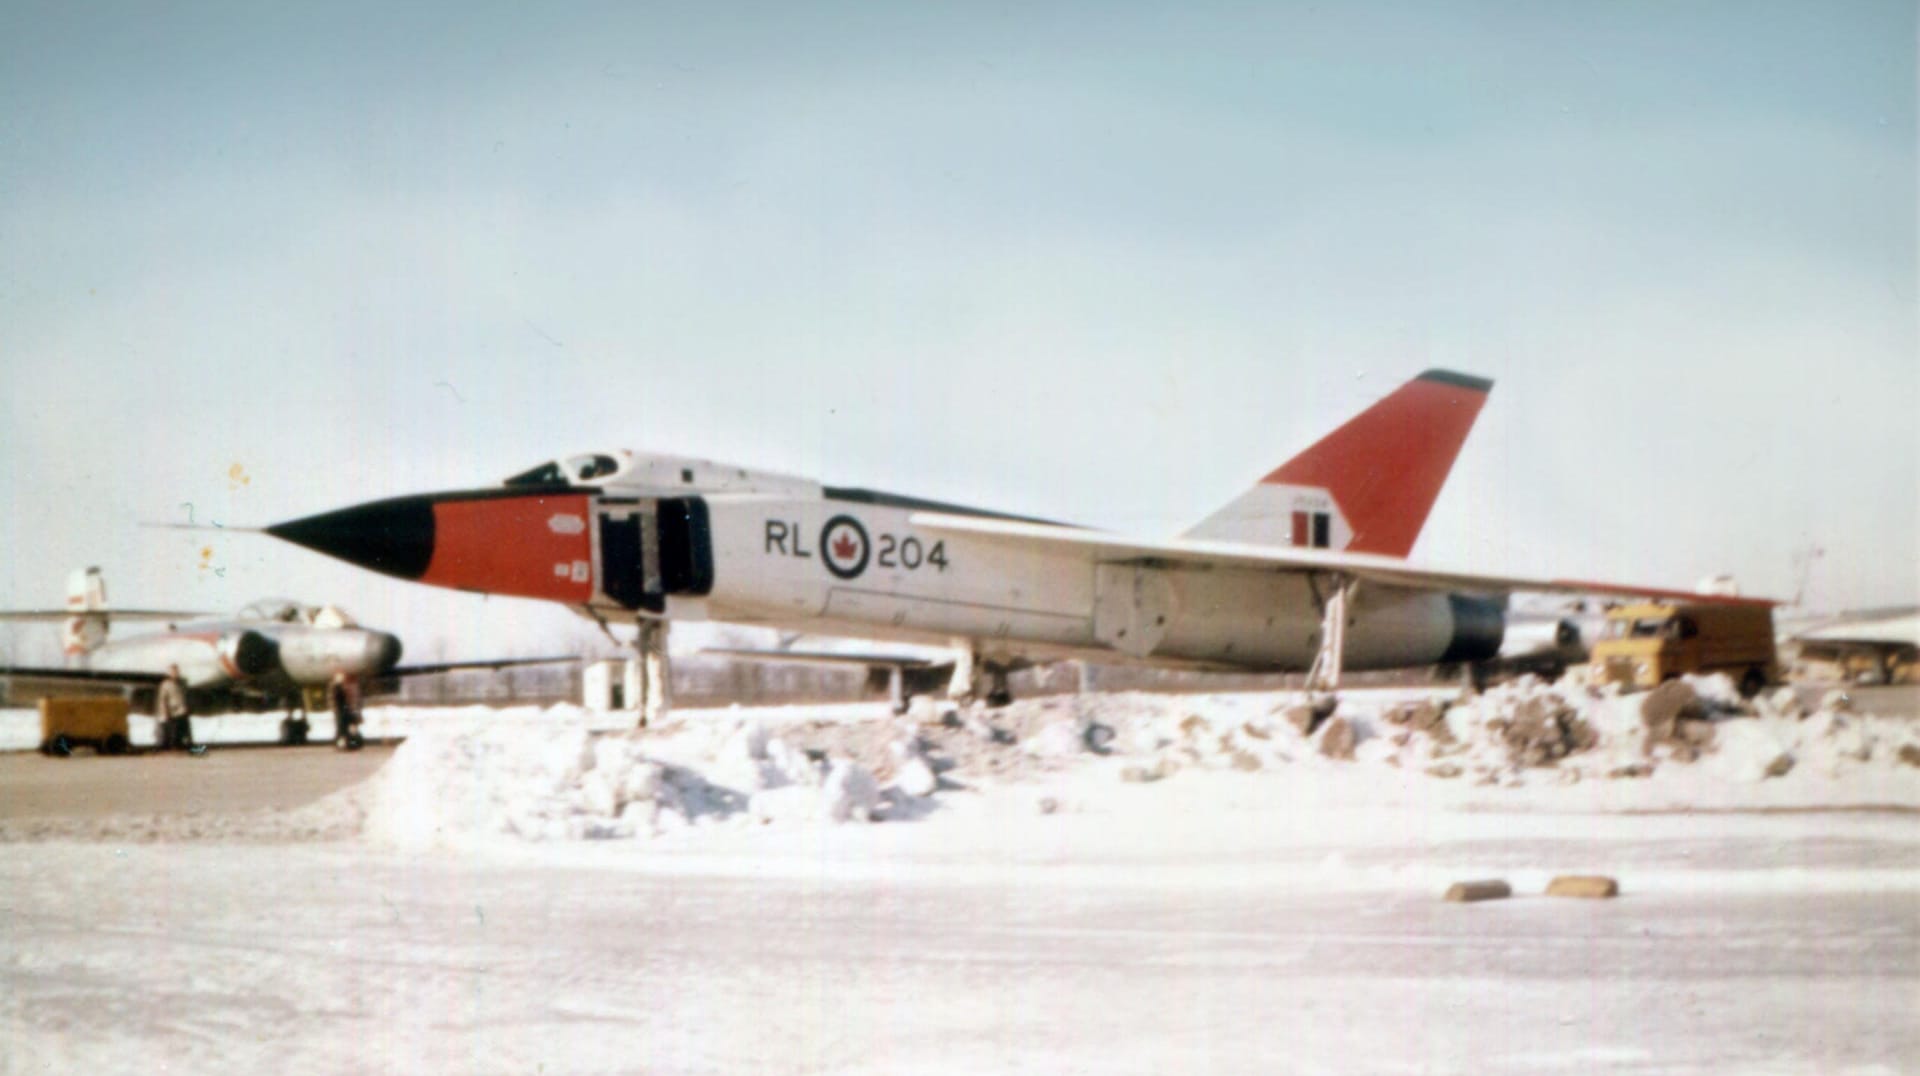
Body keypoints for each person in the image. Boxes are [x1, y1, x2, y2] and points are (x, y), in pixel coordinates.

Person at [156, 665, 193, 751]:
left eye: (176, 672)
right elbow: (163, 699)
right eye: (173, 672)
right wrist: (165, 712)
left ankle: (185, 746)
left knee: (185, 730)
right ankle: (173, 747)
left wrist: (187, 707)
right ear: (169, 673)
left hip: (182, 710)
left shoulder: (181, 684)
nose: (175, 674)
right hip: (173, 711)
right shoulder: (165, 685)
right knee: (173, 731)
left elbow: (185, 696)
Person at [329, 670, 363, 751]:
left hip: (345, 710)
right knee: (343, 729)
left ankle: (347, 743)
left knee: (345, 728)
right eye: (339, 677)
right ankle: (344, 744)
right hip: (343, 711)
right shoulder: (337, 688)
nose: (341, 679)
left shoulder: (342, 687)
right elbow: (336, 700)